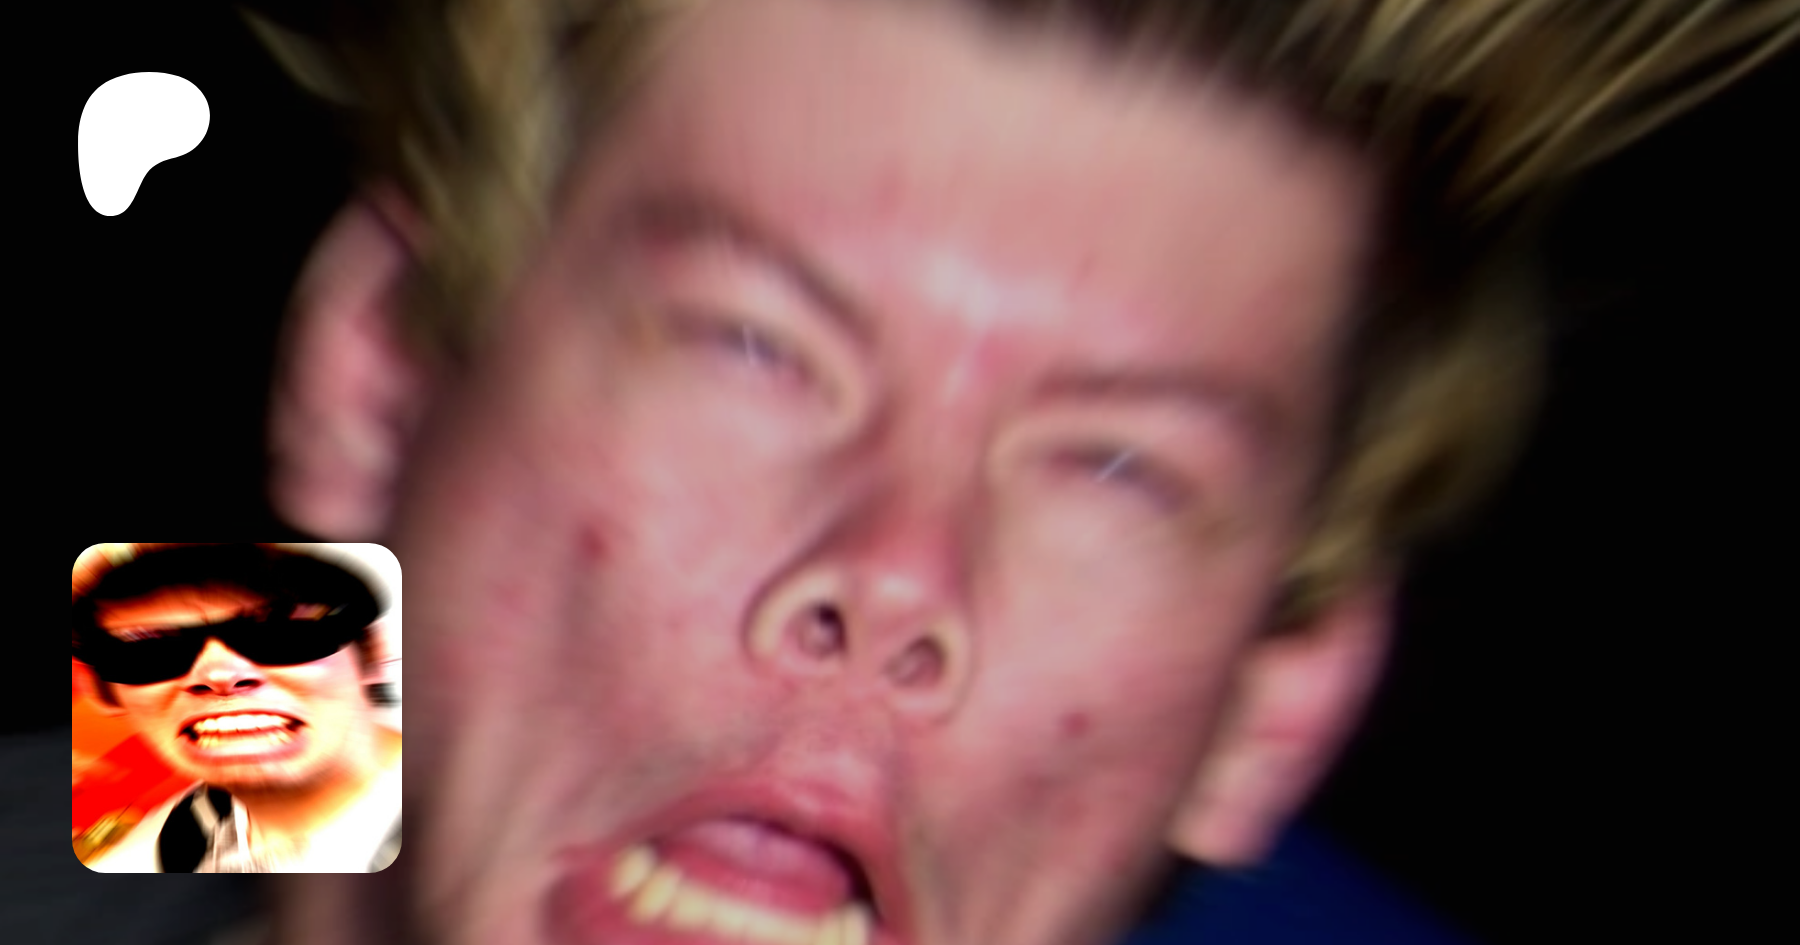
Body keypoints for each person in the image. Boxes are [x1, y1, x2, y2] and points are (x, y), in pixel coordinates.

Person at [229, 0, 1796, 943]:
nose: (898, 570)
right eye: (759, 347)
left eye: (1115, 468)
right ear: (382, 384)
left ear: (1274, 708)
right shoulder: (178, 748)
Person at [70, 543, 402, 873]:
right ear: (102, 692)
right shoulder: (162, 848)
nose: (219, 674)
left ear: (374, 652)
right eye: (148, 650)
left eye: (281, 631)